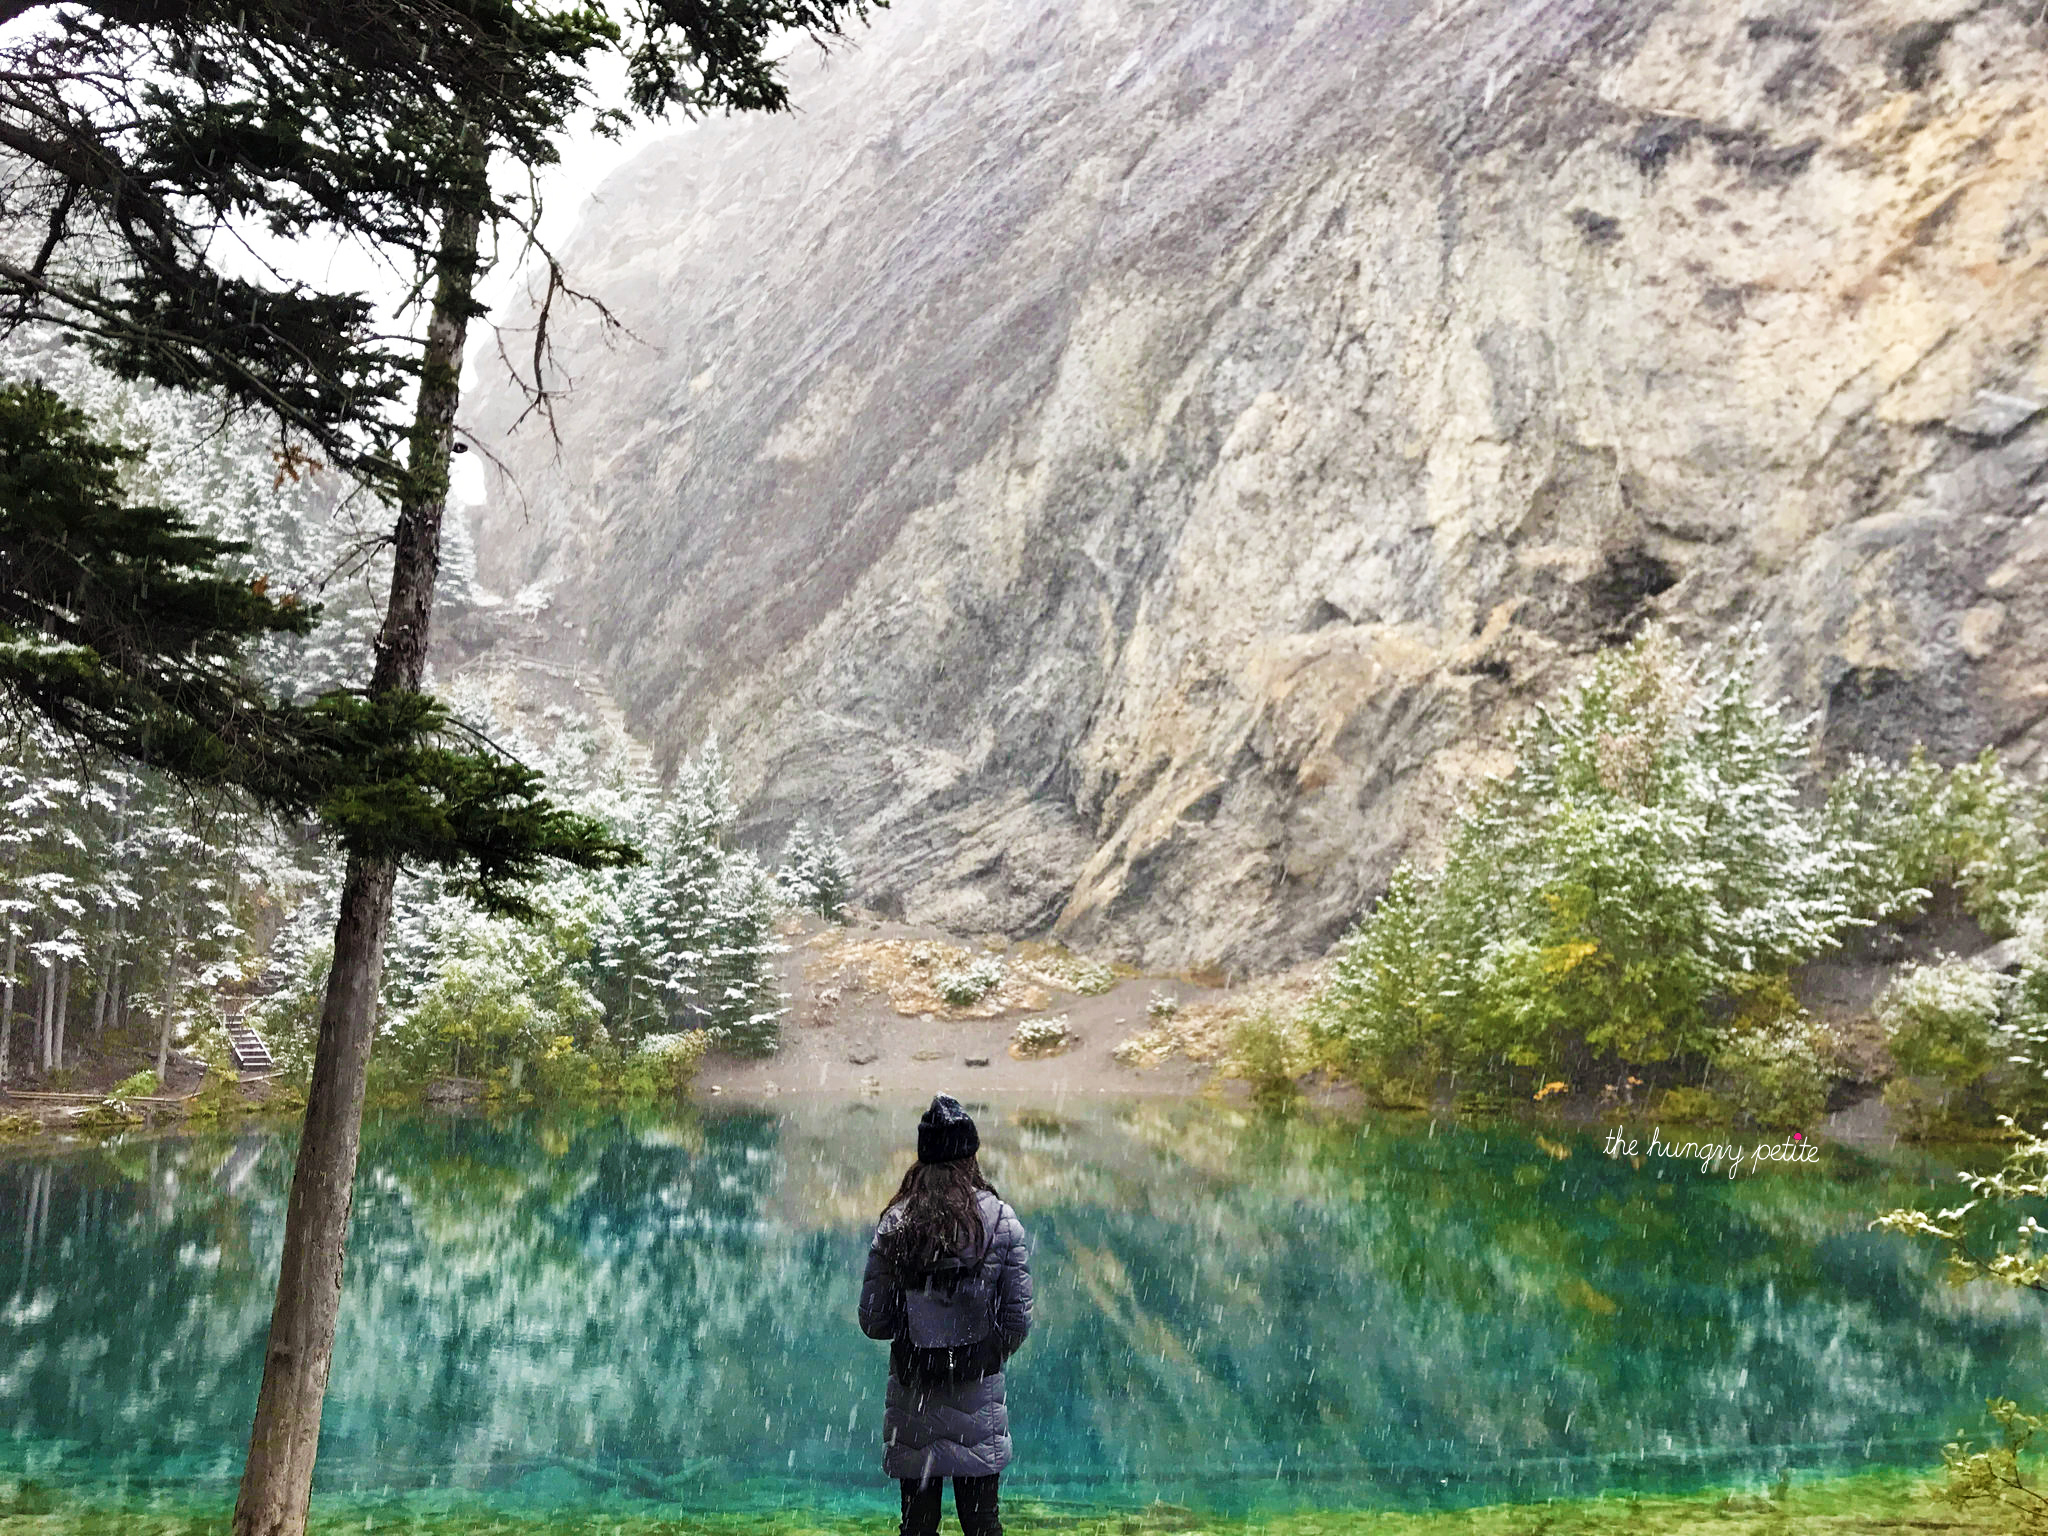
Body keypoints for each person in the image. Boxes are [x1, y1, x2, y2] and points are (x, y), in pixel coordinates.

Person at [859, 1094, 1034, 1536]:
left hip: (912, 1403)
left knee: (917, 1527)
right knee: (982, 1525)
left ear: (923, 1159)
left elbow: (873, 1321)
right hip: (980, 1400)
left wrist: (920, 1336)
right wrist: (981, 1355)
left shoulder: (895, 1225)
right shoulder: (1002, 1223)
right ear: (971, 1157)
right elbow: (1018, 1320)